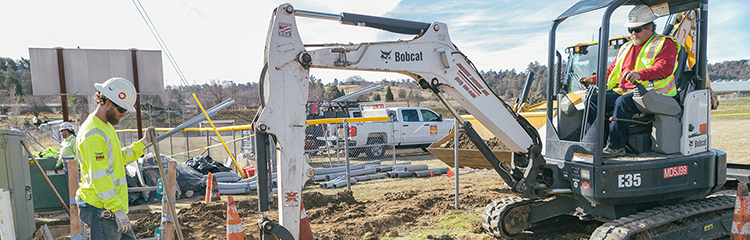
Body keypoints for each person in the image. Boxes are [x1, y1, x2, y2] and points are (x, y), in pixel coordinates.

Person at [578, 5, 680, 158]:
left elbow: (665, 68)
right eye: (630, 30)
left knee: (622, 102)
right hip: (628, 91)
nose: (633, 33)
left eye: (637, 29)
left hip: (655, 93)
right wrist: (592, 79)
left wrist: (640, 75)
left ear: (650, 26)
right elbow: (611, 71)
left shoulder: (664, 43)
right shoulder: (626, 47)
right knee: (593, 100)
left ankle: (616, 147)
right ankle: (593, 143)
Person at [75, 77, 155, 239]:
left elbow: (118, 158)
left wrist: (143, 143)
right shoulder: (93, 134)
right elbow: (100, 177)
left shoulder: (105, 126)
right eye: (121, 110)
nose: (124, 114)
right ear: (108, 103)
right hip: (103, 208)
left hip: (112, 206)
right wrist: (116, 210)